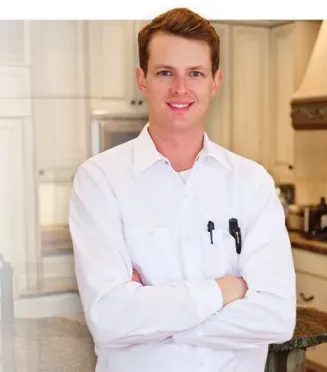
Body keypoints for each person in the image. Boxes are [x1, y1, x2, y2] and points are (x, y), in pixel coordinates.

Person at [68, 8, 297, 372]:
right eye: (165, 73)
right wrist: (224, 290)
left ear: (215, 81)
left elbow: (276, 317)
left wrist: (152, 318)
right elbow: (109, 318)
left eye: (195, 73)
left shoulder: (252, 183)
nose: (180, 88)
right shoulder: (99, 180)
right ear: (142, 79)